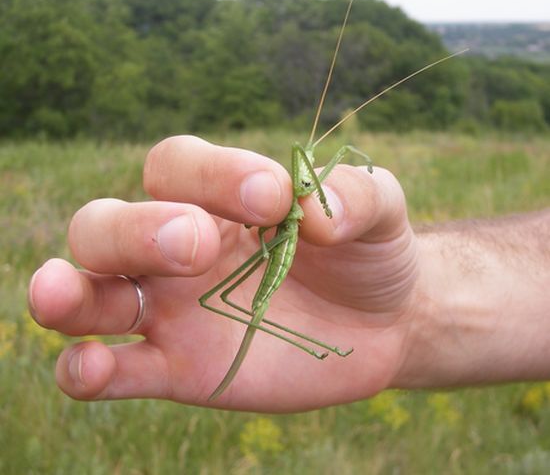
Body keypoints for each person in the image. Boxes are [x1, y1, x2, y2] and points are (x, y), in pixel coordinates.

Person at [27, 135, 550, 412]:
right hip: (276, 248)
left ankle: (294, 339)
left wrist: (352, 171)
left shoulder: (314, 183)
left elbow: (334, 154)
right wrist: (411, 313)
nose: (310, 164)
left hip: (288, 240)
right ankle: (295, 340)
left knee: (247, 303)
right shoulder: (293, 184)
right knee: (230, 299)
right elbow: (307, 161)